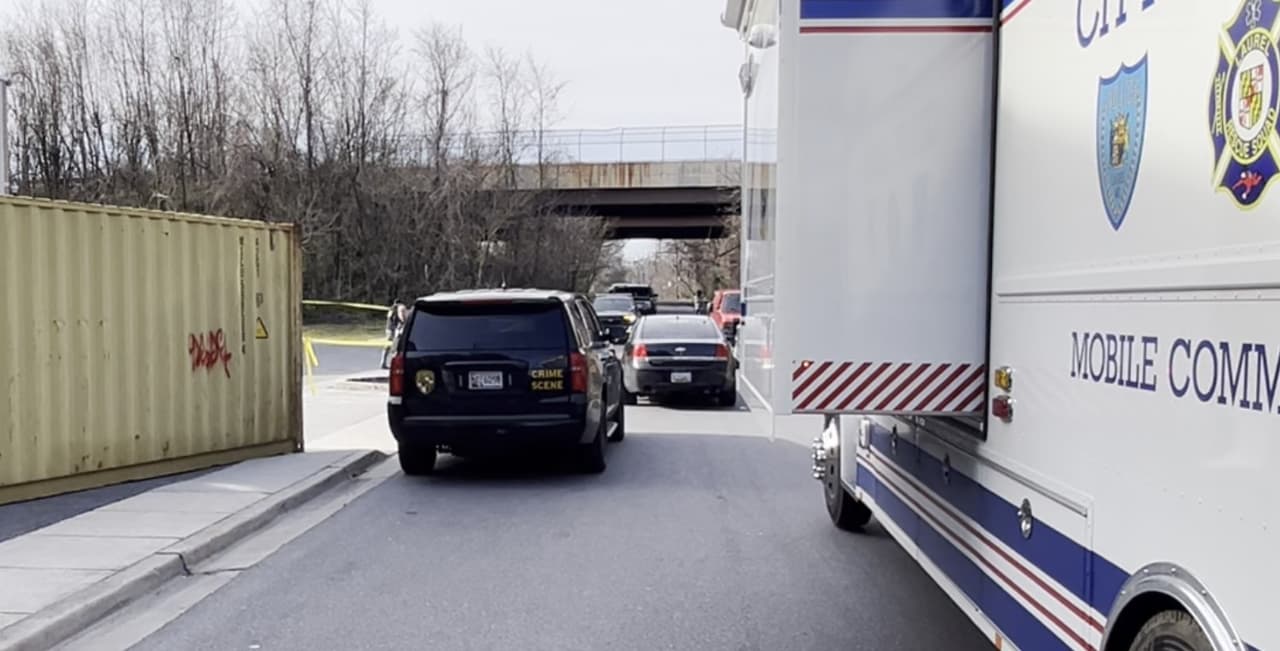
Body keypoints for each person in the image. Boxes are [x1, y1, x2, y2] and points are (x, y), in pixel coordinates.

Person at [380, 301, 406, 369]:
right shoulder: (397, 309)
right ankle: (389, 363)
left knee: (388, 346)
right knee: (394, 346)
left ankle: (383, 362)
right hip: (392, 329)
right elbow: (401, 318)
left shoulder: (391, 309)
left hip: (388, 329)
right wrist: (404, 322)